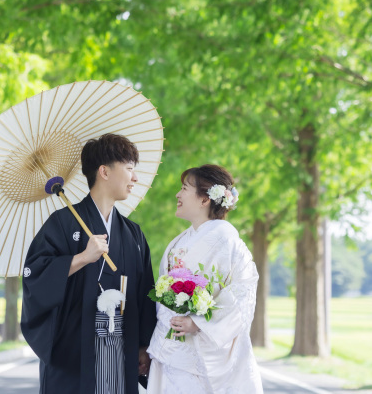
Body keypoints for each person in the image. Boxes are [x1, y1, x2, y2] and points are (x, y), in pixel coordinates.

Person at [20, 133, 157, 394]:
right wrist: (82, 258)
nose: (135, 178)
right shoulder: (62, 224)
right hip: (73, 354)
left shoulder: (133, 234)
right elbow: (34, 277)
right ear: (104, 172)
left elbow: (144, 293)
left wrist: (143, 345)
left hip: (120, 351)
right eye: (129, 169)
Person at [147, 164, 263, 393]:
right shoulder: (179, 241)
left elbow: (243, 292)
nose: (178, 195)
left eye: (184, 189)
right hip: (171, 346)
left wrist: (199, 323)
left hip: (204, 347)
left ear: (204, 199)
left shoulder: (227, 240)